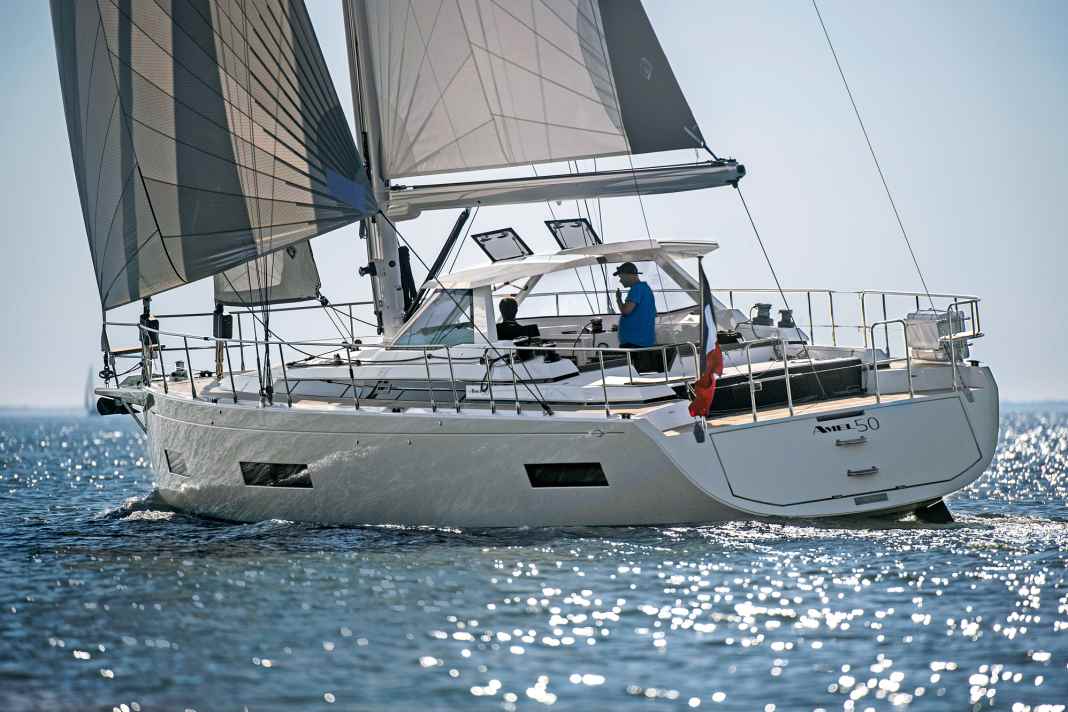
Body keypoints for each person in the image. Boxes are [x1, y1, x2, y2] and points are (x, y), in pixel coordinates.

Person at [614, 262, 656, 348]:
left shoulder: (637, 288)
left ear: (629, 275)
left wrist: (618, 299)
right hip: (642, 342)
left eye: (621, 277)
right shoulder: (645, 288)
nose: (620, 281)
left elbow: (626, 311)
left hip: (635, 344)